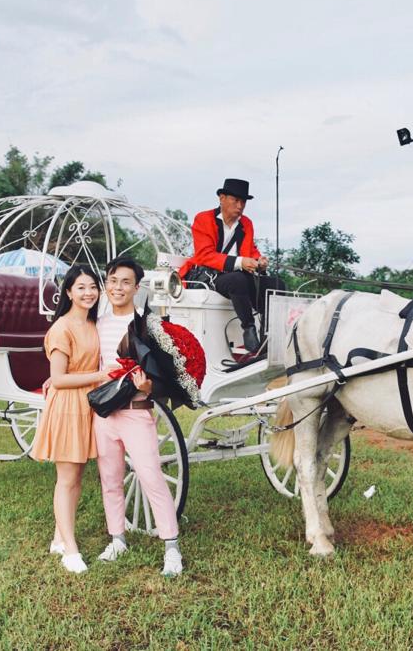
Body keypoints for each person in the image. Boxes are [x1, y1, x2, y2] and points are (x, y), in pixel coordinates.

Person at [92, 256, 183, 576]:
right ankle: (117, 539)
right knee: (110, 480)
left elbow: (165, 379)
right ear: (106, 285)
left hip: (137, 413)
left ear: (136, 287)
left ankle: (171, 547)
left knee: (151, 478)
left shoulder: (148, 327)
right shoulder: (97, 325)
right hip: (104, 415)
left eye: (125, 282)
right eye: (113, 281)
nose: (118, 287)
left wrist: (149, 385)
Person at [30, 265, 107, 574]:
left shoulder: (94, 323)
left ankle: (59, 537)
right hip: (68, 406)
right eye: (81, 287)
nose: (88, 292)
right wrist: (101, 376)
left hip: (88, 403)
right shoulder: (62, 328)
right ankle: (70, 550)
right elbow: (58, 379)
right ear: (68, 292)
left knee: (77, 478)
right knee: (67, 478)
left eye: (92, 287)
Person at [178, 178, 285, 353]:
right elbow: (204, 255)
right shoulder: (203, 219)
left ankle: (267, 335)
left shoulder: (246, 223)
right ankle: (248, 329)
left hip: (240, 275)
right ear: (222, 198)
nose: (240, 205)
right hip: (210, 276)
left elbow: (251, 250)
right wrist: (241, 262)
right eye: (236, 200)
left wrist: (259, 261)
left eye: (243, 201)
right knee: (238, 279)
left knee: (277, 285)